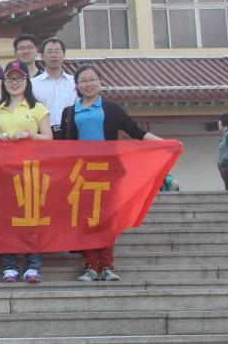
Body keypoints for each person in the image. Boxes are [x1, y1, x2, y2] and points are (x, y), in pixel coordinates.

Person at [60, 65, 164, 282]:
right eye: (83, 81)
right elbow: (62, 145)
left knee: (107, 219)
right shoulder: (69, 112)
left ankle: (107, 266)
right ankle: (91, 266)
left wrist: (164, 143)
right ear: (76, 85)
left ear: (100, 82)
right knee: (85, 219)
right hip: (81, 173)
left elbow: (136, 131)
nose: (88, 84)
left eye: (92, 79)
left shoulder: (112, 109)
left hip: (108, 172)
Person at [0, 59, 53, 284]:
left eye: (19, 78)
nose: (14, 83)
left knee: (32, 219)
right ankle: (9, 266)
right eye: (10, 79)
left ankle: (33, 266)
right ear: (4, 82)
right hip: (3, 173)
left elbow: (49, 138)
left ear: (27, 81)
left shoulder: (37, 108)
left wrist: (30, 135)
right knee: (5, 220)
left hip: (31, 172)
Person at [32, 37, 76, 140]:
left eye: (57, 51)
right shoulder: (32, 84)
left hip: (70, 134)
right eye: (49, 52)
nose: (53, 55)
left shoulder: (74, 82)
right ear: (42, 56)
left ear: (63, 54)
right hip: (42, 134)